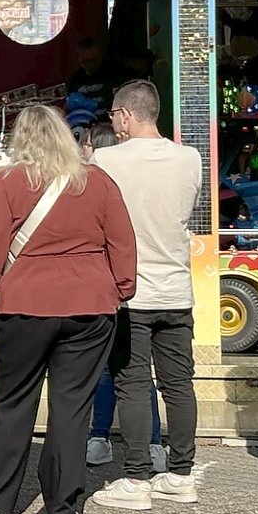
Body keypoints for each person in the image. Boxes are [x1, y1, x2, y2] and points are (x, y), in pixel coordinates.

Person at [0, 105, 136, 514]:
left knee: (14, 404)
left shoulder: (7, 183)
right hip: (90, 305)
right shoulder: (99, 182)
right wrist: (122, 288)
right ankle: (62, 508)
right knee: (73, 408)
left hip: (24, 305)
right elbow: (121, 243)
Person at [91, 80, 204, 511]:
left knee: (132, 382)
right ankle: (181, 473)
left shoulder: (105, 159)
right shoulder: (189, 158)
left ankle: (136, 477)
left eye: (113, 116)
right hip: (177, 288)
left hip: (128, 289)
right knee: (179, 384)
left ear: (125, 114)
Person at [80, 123, 165, 471]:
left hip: (111, 284)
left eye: (86, 145)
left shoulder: (96, 179)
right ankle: (154, 445)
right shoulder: (145, 180)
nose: (82, 151)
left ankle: (101, 438)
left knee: (110, 368)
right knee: (139, 370)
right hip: (145, 281)